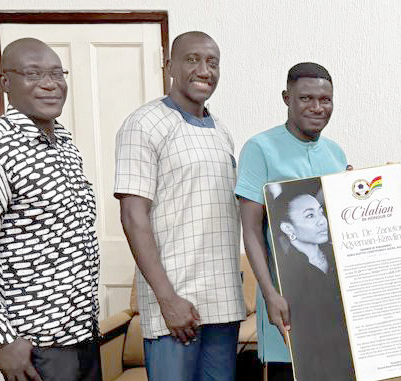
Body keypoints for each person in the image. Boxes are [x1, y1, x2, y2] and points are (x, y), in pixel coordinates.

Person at [115, 31, 245, 381]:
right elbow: (132, 216)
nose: (205, 70)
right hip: (175, 306)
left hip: (222, 302)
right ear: (170, 66)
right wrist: (167, 299)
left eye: (212, 62)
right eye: (192, 59)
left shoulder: (222, 130)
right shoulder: (144, 124)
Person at [236, 62, 349, 381]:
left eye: (325, 99)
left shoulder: (336, 153)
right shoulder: (260, 148)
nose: (317, 107)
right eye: (306, 98)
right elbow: (251, 229)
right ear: (287, 98)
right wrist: (269, 294)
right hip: (287, 302)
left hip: (330, 304)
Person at [0, 37, 101, 381]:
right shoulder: (3, 147)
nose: (50, 84)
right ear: (6, 83)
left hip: (82, 335)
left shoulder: (65, 144)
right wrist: (3, 341)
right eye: (33, 73)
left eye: (58, 73)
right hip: (34, 343)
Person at [265, 181, 354, 381]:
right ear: (288, 228)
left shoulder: (338, 256)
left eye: (321, 212)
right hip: (313, 365)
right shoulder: (288, 273)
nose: (322, 221)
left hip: (348, 360)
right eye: (310, 216)